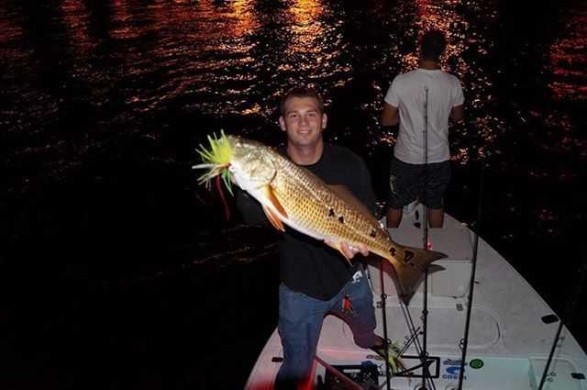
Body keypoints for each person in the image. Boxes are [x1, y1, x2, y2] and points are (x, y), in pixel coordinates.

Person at [236, 87, 389, 389]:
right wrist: (243, 183)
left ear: (324, 120)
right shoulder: (271, 166)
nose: (303, 122)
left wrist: (366, 244)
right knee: (297, 365)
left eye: (311, 114)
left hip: (349, 277)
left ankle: (366, 337)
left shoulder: (349, 163)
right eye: (293, 115)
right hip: (300, 288)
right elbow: (253, 216)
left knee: (366, 324)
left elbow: (369, 213)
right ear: (282, 123)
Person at [381, 29, 464, 228]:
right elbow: (458, 118)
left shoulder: (401, 81)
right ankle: (435, 248)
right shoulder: (453, 83)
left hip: (406, 157)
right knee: (435, 203)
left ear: (420, 50)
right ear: (441, 53)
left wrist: (406, 117)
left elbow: (386, 120)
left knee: (395, 203)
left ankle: (391, 249)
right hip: (438, 157)